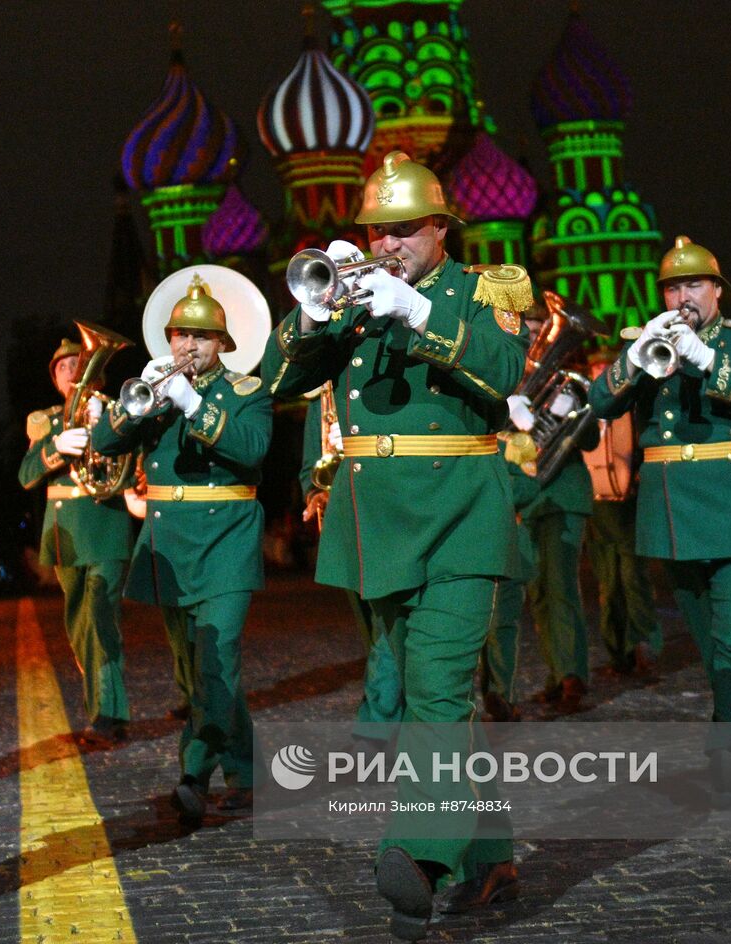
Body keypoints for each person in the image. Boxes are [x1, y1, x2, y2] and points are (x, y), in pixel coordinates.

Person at [261, 150, 527, 941]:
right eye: (378, 230)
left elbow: (506, 366)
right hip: (376, 521)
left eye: (403, 230)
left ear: (441, 227)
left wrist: (417, 312)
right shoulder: (355, 299)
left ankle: (418, 856)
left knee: (439, 690)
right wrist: (316, 316)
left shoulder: (487, 289)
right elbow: (280, 384)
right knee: (425, 691)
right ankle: (494, 851)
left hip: (460, 516)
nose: (387, 243)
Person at [588, 236, 731, 805]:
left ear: (716, 291)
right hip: (676, 514)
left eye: (694, 286)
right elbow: (599, 405)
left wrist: (709, 361)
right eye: (674, 287)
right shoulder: (645, 339)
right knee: (717, 646)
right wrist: (634, 361)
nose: (684, 296)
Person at [91, 276, 271, 822]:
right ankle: (246, 768)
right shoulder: (158, 390)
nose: (188, 346)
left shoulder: (248, 392)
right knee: (197, 668)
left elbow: (253, 449)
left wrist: (195, 406)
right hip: (170, 542)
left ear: (223, 344)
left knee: (218, 660)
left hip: (227, 539)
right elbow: (103, 444)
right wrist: (133, 406)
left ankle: (194, 771)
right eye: (179, 335)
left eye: (201, 336)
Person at [19, 338, 134, 746]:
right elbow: (26, 475)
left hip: (105, 522)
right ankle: (104, 708)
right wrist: (55, 449)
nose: (71, 370)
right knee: (79, 624)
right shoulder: (45, 421)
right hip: (64, 532)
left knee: (101, 618)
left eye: (78, 363)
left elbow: (132, 458)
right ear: (54, 379)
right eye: (63, 366)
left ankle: (108, 714)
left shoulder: (116, 410)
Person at [505, 306, 600, 713]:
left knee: (560, 586)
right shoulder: (506, 378)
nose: (535, 340)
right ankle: (557, 672)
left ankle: (571, 676)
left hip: (562, 495)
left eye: (539, 330)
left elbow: (590, 438)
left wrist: (560, 409)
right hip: (527, 496)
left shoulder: (569, 383)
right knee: (539, 592)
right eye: (527, 332)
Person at [300, 384, 401, 738]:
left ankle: (376, 728)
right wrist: (315, 494)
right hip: (348, 523)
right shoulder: (323, 397)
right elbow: (308, 468)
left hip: (390, 515)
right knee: (374, 629)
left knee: (386, 626)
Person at [581, 349, 663, 679]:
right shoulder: (584, 407)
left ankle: (643, 646)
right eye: (596, 367)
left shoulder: (633, 403)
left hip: (629, 503)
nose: (601, 371)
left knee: (634, 579)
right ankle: (618, 653)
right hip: (597, 506)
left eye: (605, 366)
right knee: (609, 584)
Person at [479, 433, 543, 722]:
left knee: (501, 628)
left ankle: (502, 697)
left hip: (507, 551)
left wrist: (486, 490)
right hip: (468, 554)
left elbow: (529, 486)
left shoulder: (509, 445)